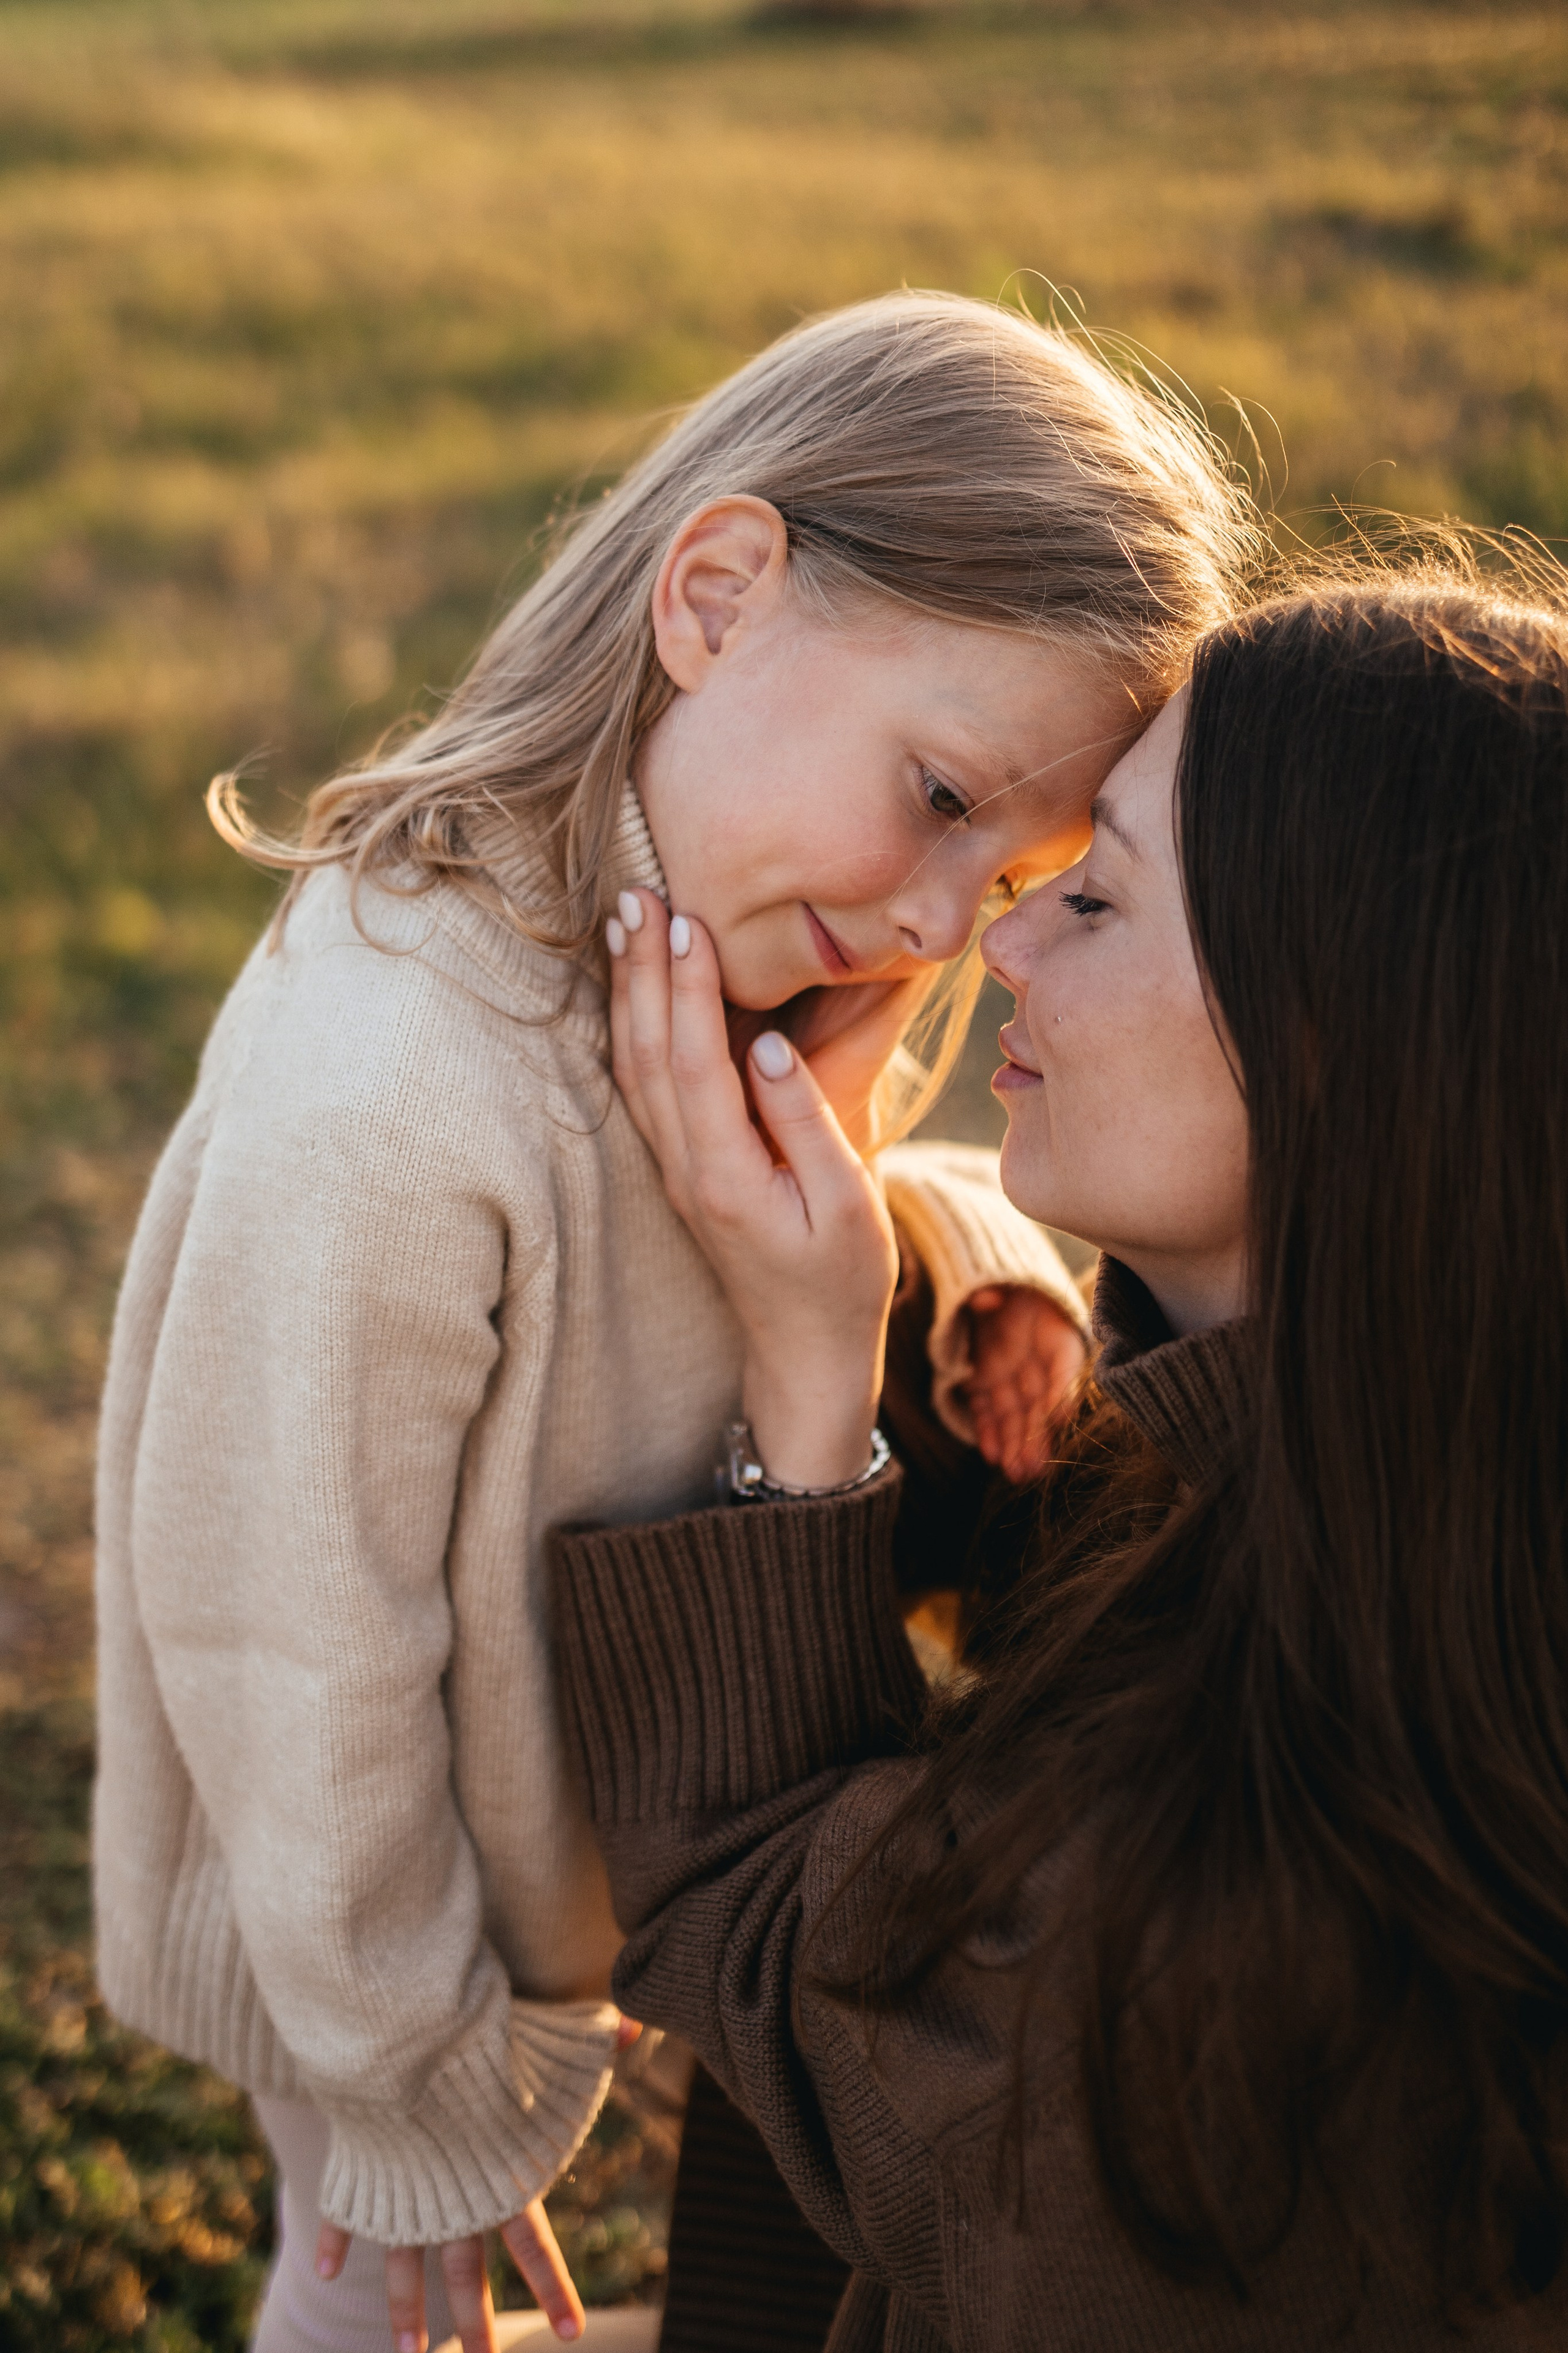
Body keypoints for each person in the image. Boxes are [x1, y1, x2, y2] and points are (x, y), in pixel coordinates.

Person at [92, 290, 1257, 2353]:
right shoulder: (392, 1097)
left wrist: (929, 1227)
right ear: (715, 593)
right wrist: (412, 2082)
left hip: (530, 1872)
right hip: (371, 1929)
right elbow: (291, 1637)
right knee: (375, 2300)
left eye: (1018, 879)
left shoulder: (731, 954)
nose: (937, 920)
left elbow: (748, 1261)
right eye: (940, 793)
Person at [554, 572, 1568, 2349]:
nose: (991, 947)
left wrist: (808, 1380)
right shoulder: (1454, 1481)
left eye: (1091, 894)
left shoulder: (1232, 1923)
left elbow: (801, 1966)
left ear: (1326, 1048)